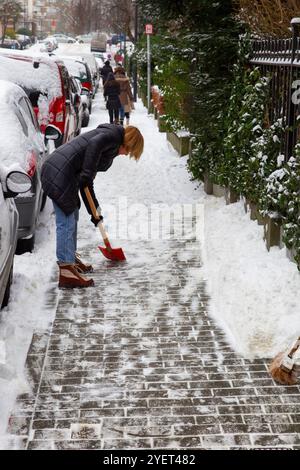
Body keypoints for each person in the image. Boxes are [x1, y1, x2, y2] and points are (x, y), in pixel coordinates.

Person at [41, 124, 144, 289]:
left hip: (63, 171)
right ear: (128, 143)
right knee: (66, 219)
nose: (126, 155)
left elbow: (86, 185)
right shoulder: (111, 137)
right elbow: (95, 145)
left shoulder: (110, 141)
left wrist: (95, 214)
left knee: (72, 213)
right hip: (58, 172)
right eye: (129, 151)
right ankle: (66, 270)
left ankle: (70, 259)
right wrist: (87, 174)